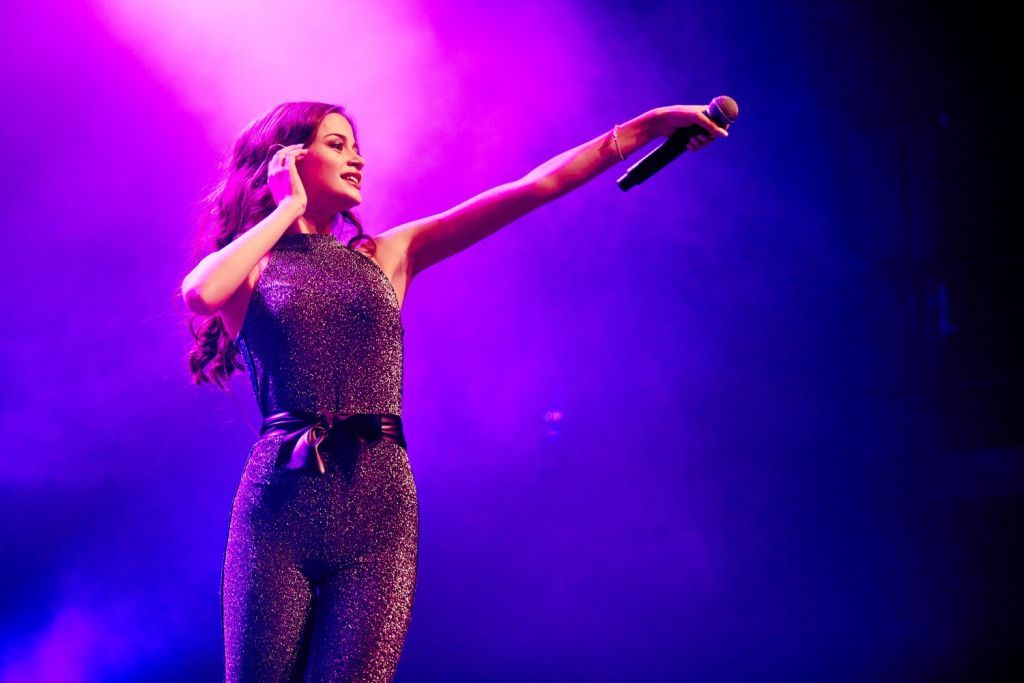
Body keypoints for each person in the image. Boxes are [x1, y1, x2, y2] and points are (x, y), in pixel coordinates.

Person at [181, 100, 728, 682]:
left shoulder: (388, 255)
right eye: (336, 145)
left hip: (379, 509)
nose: (358, 159)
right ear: (285, 159)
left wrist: (652, 126)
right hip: (277, 509)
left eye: (357, 147)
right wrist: (288, 205)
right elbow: (201, 293)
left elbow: (534, 187)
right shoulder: (250, 267)